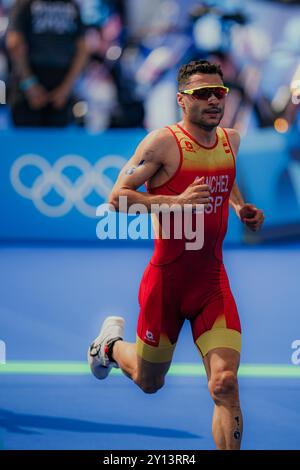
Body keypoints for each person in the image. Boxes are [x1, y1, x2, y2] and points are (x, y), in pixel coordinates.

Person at [87, 60, 265, 450]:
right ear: (182, 100)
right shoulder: (161, 143)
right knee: (150, 382)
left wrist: (240, 209)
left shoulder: (231, 140)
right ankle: (109, 347)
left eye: (220, 92)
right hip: (166, 284)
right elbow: (116, 200)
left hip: (211, 284)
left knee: (225, 383)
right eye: (203, 94)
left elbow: (226, 180)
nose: (214, 100)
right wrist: (177, 203)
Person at [6, 0, 88, 127]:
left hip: (32, 85)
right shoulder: (72, 6)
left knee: (26, 144)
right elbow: (83, 49)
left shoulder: (25, 3)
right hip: (57, 86)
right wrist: (65, 89)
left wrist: (30, 84)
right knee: (57, 144)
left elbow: (14, 43)